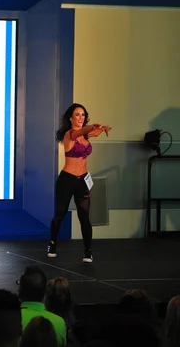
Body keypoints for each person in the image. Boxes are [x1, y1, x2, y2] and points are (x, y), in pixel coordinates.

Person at [48, 103, 111, 263]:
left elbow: (93, 133)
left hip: (82, 179)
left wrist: (102, 129)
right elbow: (83, 131)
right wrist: (90, 128)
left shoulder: (86, 135)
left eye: (83, 115)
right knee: (59, 215)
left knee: (84, 217)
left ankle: (87, 251)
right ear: (70, 118)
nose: (80, 118)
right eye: (77, 115)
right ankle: (52, 244)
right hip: (67, 179)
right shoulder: (70, 134)